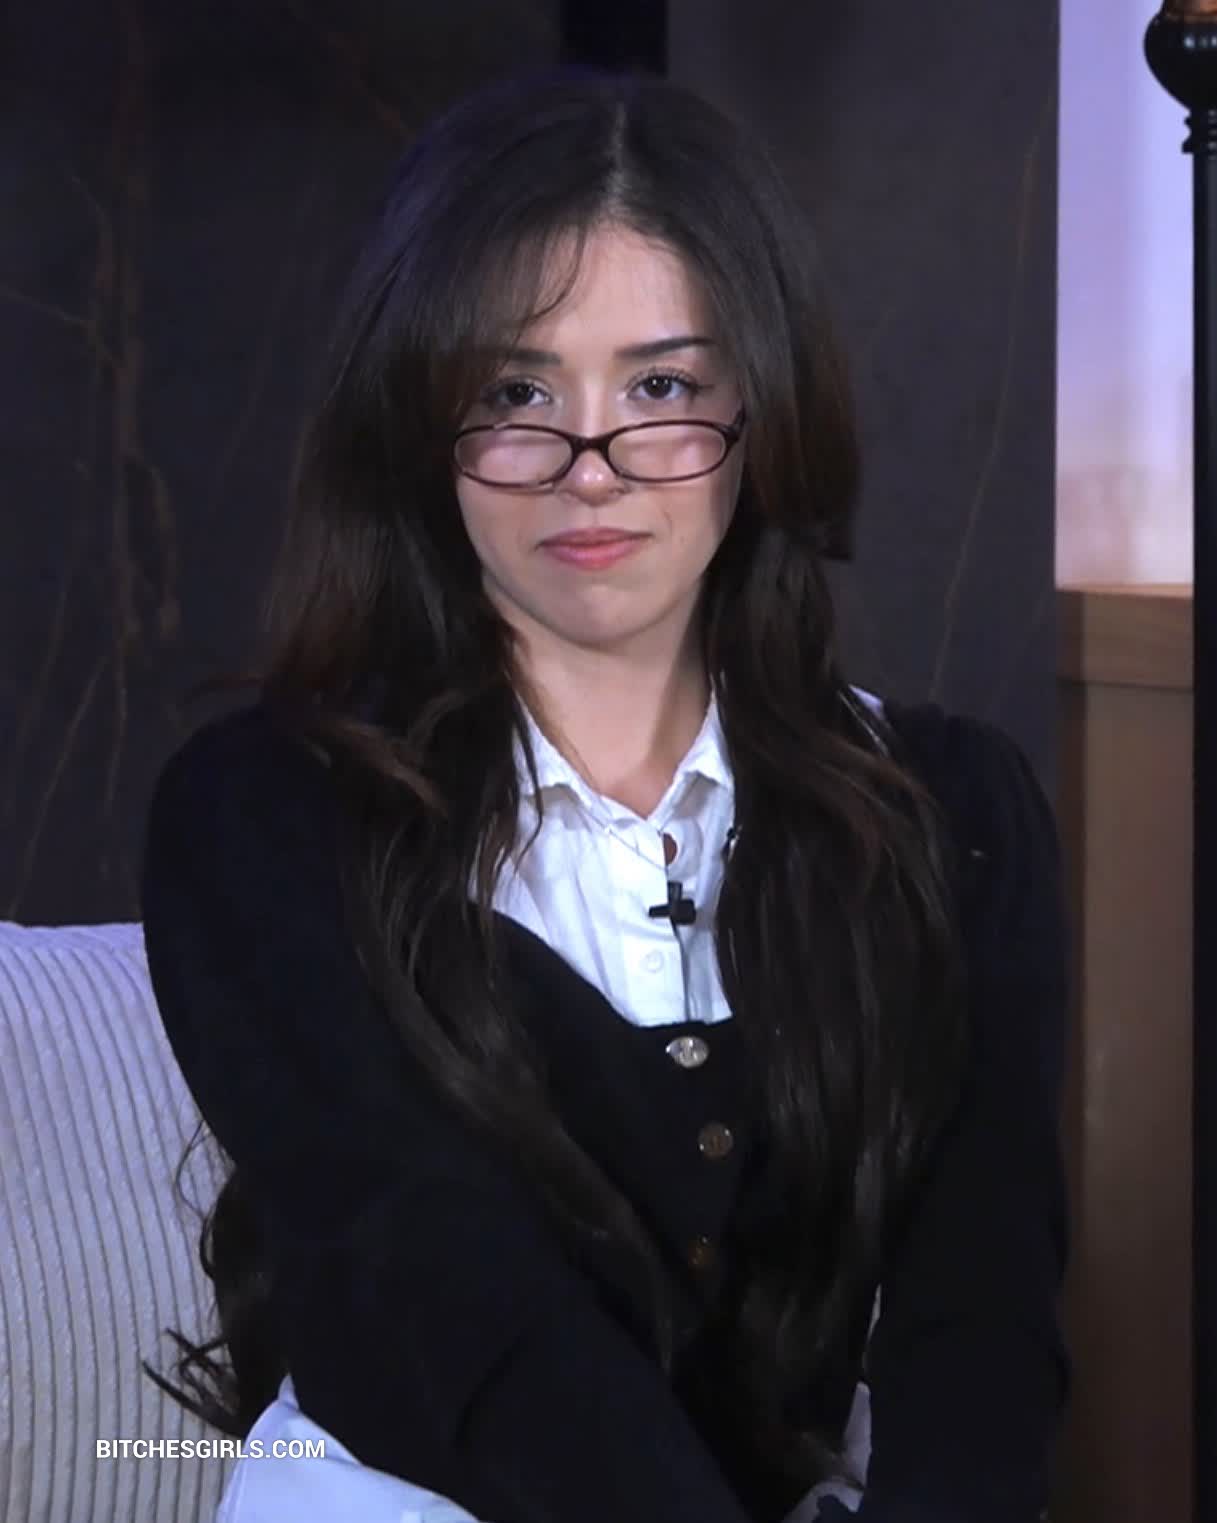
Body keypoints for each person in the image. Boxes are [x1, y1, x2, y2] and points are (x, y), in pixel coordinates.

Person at [139, 65, 1069, 1523]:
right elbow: (445, 1304)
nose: (589, 468)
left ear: (763, 411)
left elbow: (983, 1320)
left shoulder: (954, 815)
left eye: (661, 389)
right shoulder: (261, 820)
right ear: (419, 419)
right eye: (515, 392)